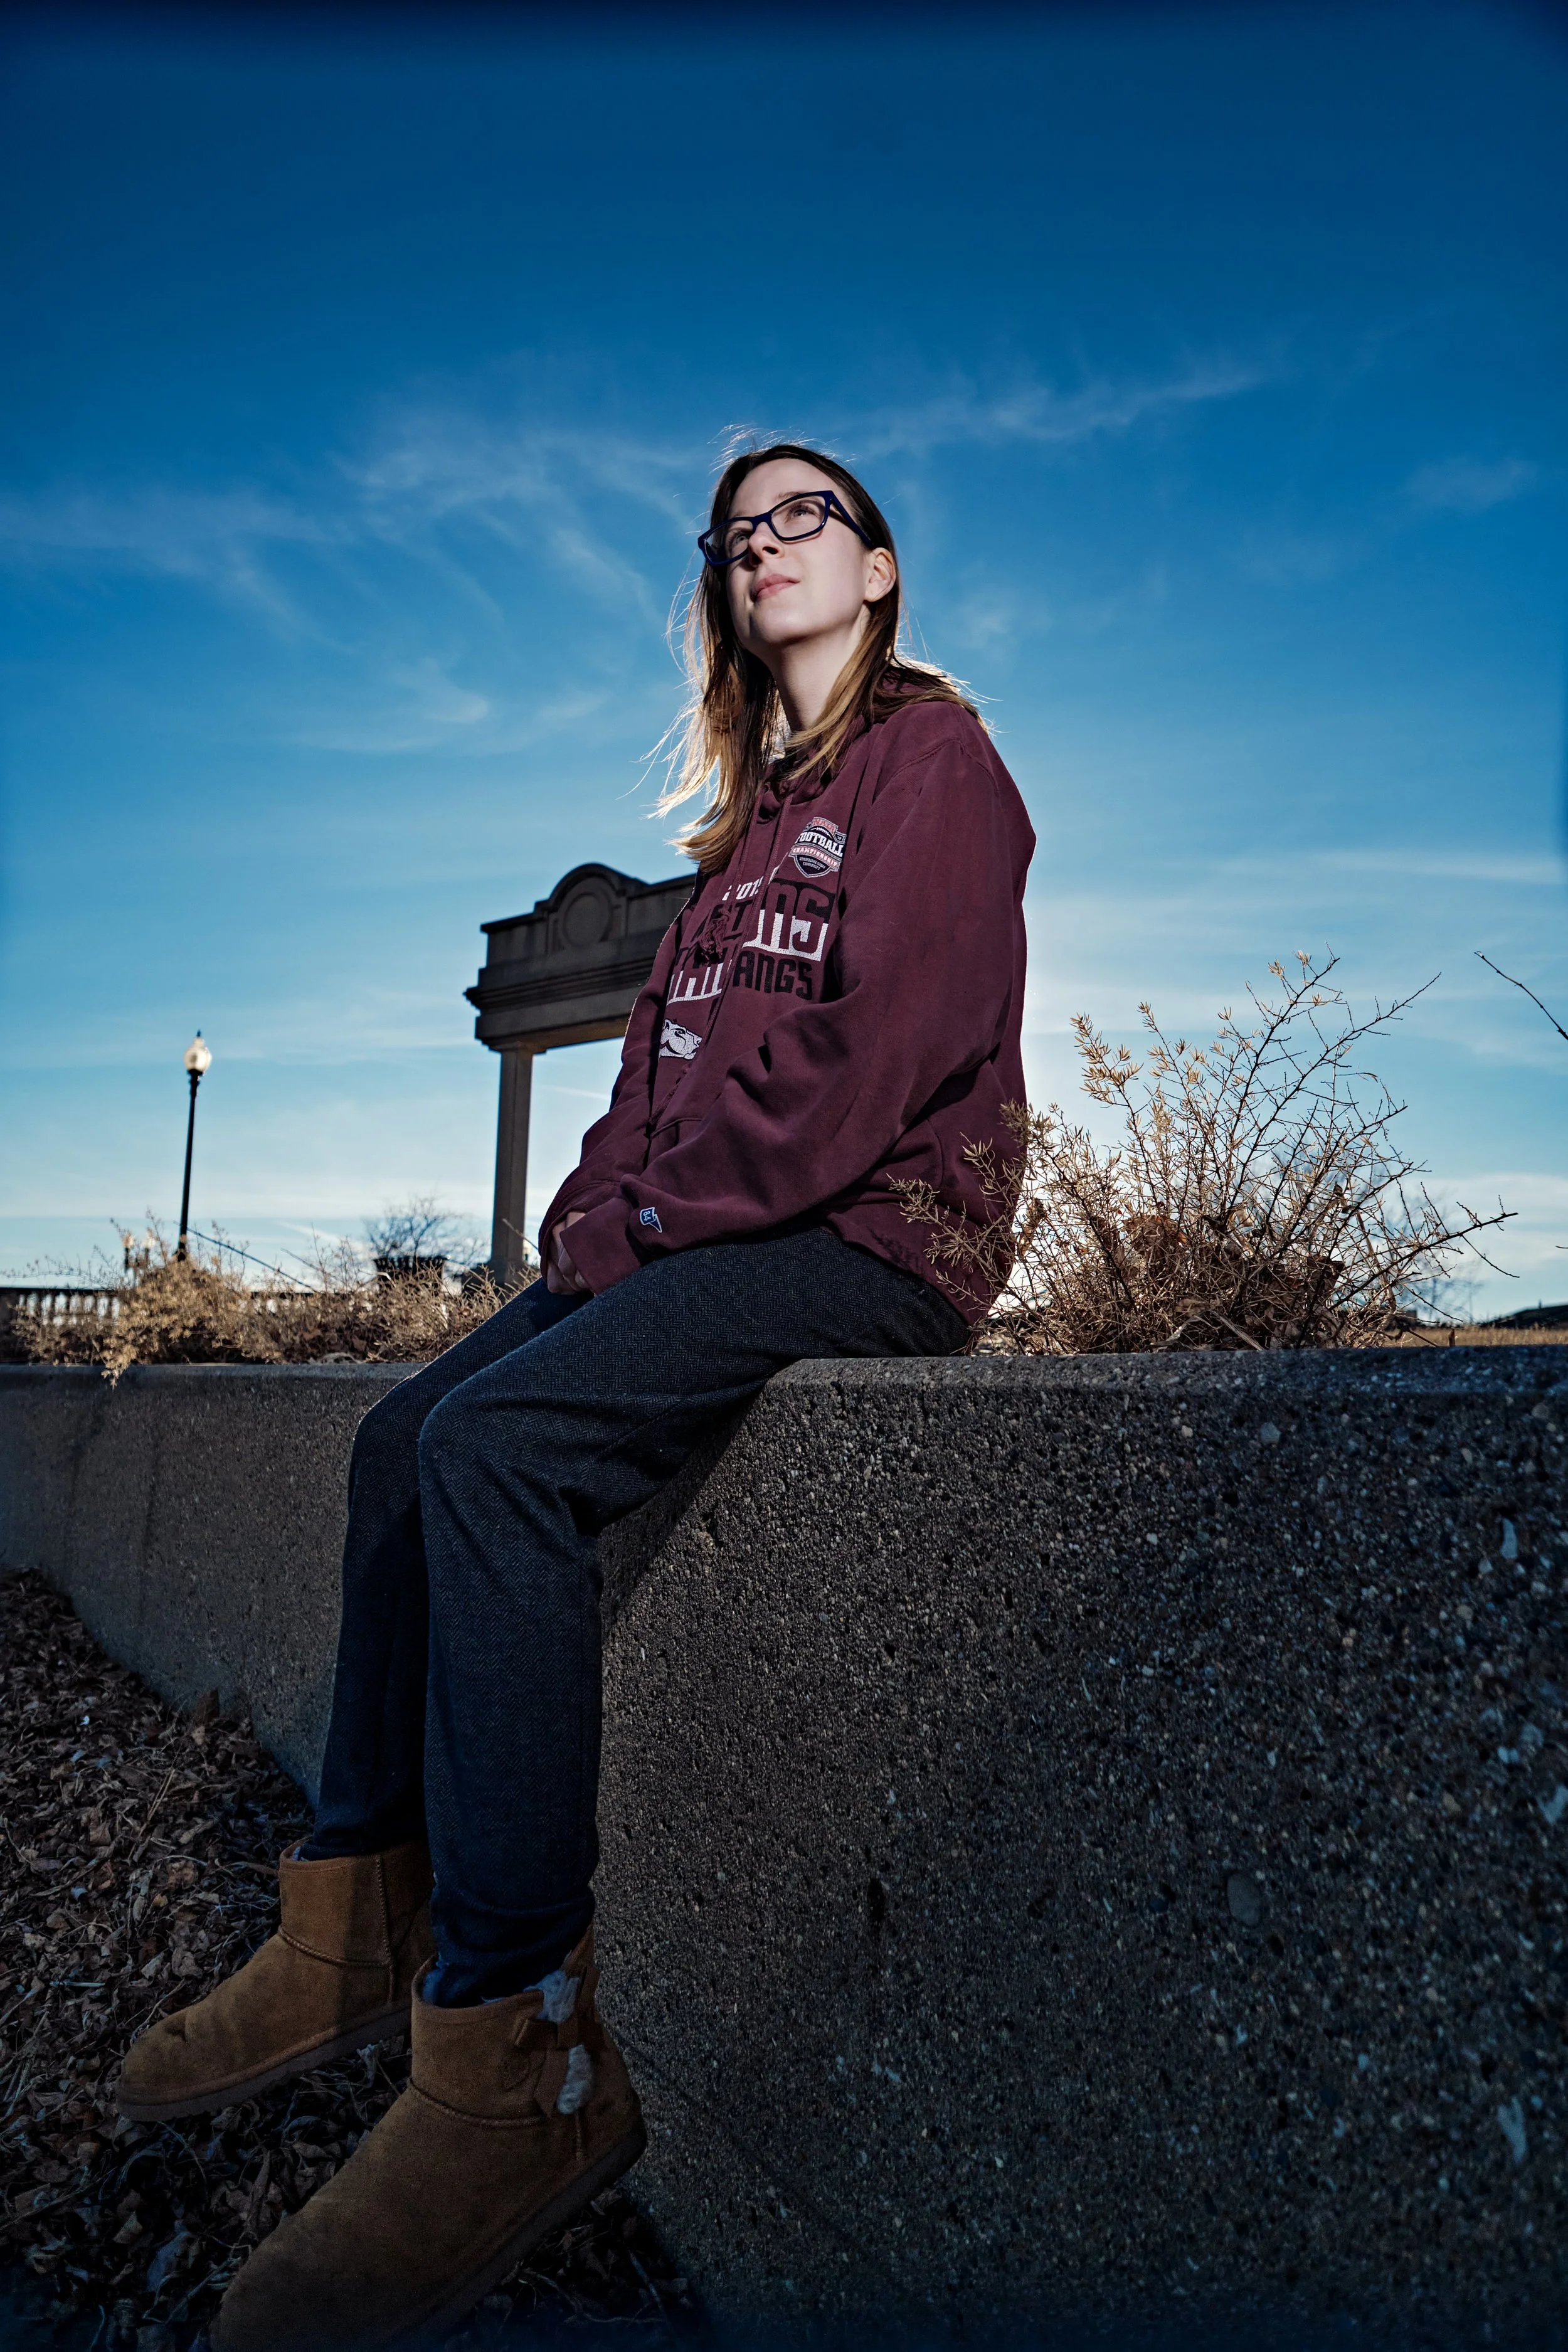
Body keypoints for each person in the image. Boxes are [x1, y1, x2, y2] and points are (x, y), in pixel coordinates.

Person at [116, 442, 1036, 2350]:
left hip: (869, 1239)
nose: (765, 547)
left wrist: (654, 1219)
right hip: (699, 1239)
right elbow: (638, 1094)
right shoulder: (739, 841)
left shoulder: (936, 766)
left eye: (804, 517)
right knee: (401, 1439)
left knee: (502, 1446)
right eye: (737, 533)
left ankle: (521, 2050)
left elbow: (884, 1058)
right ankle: (352, 1921)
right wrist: (598, 1220)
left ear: (877, 567)